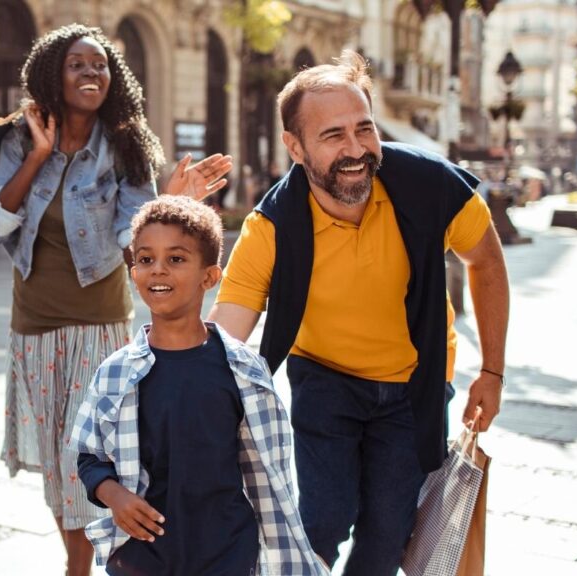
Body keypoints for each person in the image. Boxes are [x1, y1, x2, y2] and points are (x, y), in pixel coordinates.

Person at [208, 51, 510, 574]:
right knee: (323, 518)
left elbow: (485, 260)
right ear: (295, 147)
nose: (355, 150)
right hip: (325, 378)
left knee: (388, 535)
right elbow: (227, 334)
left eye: (363, 129)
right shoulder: (271, 225)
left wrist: (492, 371)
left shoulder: (430, 186)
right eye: (333, 136)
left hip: (415, 383)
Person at [0, 24, 231, 576]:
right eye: (77, 65)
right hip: (33, 325)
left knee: (82, 457)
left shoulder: (125, 144)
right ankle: (78, 562)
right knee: (57, 468)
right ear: (51, 75)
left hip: (98, 324)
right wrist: (38, 156)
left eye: (100, 65)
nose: (91, 74)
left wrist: (168, 203)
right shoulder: (18, 137)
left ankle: (81, 568)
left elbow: (131, 238)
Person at [71, 196, 328, 576]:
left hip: (228, 554)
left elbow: (273, 478)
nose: (157, 270)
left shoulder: (243, 371)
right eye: (145, 259)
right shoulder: (114, 373)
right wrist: (116, 496)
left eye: (175, 259)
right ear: (132, 270)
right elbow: (88, 456)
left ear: (209, 277)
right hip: (144, 555)